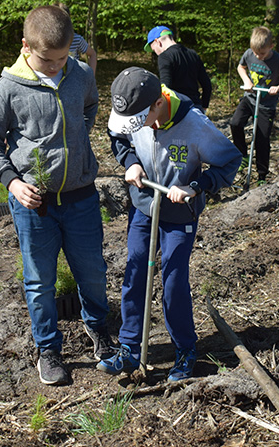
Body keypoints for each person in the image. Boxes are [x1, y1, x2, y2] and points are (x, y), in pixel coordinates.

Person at [0, 5, 114, 386]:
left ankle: (98, 329)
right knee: (40, 281)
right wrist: (13, 183)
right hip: (34, 206)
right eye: (47, 60)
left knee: (93, 271)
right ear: (25, 47)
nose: (55, 66)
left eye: (62, 57)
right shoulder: (7, 88)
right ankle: (48, 349)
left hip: (81, 197)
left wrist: (78, 140)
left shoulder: (80, 74)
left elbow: (90, 105)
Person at [98, 67, 241, 382]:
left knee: (174, 282)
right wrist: (131, 162)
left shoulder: (195, 124)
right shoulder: (132, 111)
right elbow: (118, 137)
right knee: (135, 271)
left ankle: (186, 349)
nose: (138, 127)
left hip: (179, 214)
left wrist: (196, 185)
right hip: (144, 205)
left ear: (158, 104)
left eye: (141, 121)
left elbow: (230, 160)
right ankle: (129, 348)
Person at [229, 26, 279, 184]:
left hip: (267, 105)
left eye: (262, 53)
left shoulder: (278, 60)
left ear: (271, 46)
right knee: (235, 123)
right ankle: (243, 155)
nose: (258, 56)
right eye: (256, 52)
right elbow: (241, 67)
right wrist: (246, 80)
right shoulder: (249, 53)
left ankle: (262, 175)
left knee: (262, 139)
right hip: (250, 98)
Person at [144, 25, 212, 112]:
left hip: (178, 109)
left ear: (158, 42)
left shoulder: (164, 56)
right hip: (196, 107)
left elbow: (166, 87)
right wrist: (204, 106)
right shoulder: (193, 54)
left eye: (154, 50)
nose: (156, 53)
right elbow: (207, 84)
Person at [56, 2, 97, 74]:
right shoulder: (46, 41)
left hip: (73, 79)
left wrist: (91, 76)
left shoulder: (76, 39)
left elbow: (92, 54)